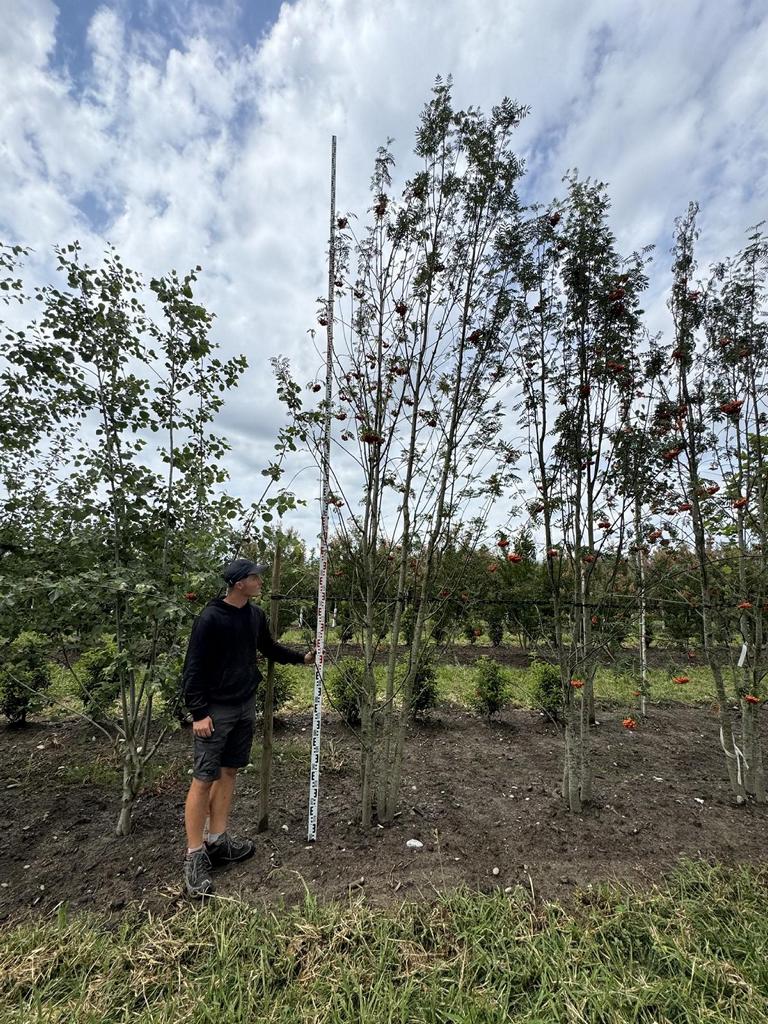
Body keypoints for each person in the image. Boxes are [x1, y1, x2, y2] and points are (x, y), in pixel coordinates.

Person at [182, 557, 314, 898]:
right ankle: (194, 854)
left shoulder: (255, 615)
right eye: (255, 577)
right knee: (202, 778)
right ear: (239, 582)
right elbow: (193, 667)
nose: (260, 581)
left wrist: (302, 658)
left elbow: (267, 647)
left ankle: (218, 840)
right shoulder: (210, 618)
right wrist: (198, 712)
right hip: (215, 710)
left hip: (244, 706)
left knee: (229, 772)